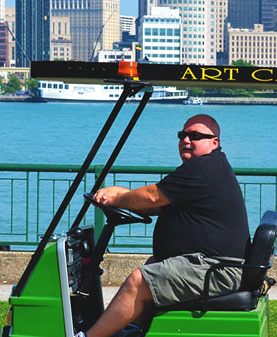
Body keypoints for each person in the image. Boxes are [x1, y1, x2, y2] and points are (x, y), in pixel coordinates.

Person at [78, 114, 249, 337]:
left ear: (214, 142)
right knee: (154, 264)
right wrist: (126, 198)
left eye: (195, 136)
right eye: (183, 135)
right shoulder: (204, 168)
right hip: (212, 263)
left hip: (217, 270)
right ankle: (133, 330)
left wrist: (116, 197)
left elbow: (150, 197)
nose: (187, 140)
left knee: (139, 281)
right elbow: (154, 204)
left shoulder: (204, 169)